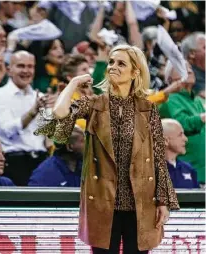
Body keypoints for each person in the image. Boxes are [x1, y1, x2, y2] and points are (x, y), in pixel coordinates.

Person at [34, 44, 179, 253]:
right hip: (102, 202)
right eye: (111, 62)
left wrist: (163, 202)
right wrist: (73, 83)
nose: (113, 67)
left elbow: (157, 158)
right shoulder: (94, 104)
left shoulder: (148, 109)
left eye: (121, 63)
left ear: (135, 71)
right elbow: (59, 113)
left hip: (141, 202)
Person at [0, 50, 55, 186]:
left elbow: (49, 135)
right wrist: (33, 111)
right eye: (21, 66)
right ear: (9, 70)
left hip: (41, 161)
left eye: (30, 66)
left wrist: (58, 109)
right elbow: (7, 131)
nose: (26, 70)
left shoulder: (40, 96)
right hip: (15, 163)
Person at [159, 61, 205, 185]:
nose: (189, 70)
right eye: (182, 68)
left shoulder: (197, 101)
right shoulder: (169, 100)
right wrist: (202, 118)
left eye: (190, 67)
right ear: (170, 78)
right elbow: (181, 124)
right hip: (186, 173)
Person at [162, 119, 199, 189]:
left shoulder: (188, 168)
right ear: (165, 141)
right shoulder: (150, 170)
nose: (186, 139)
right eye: (180, 135)